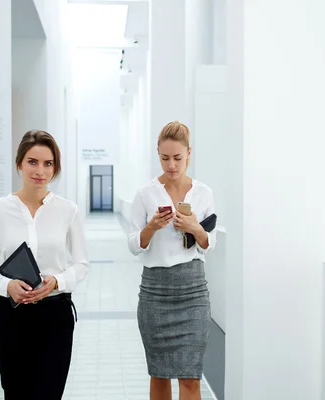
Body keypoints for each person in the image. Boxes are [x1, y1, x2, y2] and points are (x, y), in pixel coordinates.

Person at [0, 130, 89, 399]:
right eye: (32, 162)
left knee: (49, 394)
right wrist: (7, 285)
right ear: (19, 164)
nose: (40, 170)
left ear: (55, 167)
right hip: (11, 317)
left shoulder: (67, 210)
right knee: (16, 394)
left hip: (55, 317)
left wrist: (57, 281)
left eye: (48, 163)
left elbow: (81, 263)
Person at [128, 121, 217, 400]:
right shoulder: (145, 194)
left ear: (189, 153)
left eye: (177, 158)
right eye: (164, 158)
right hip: (155, 293)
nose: (171, 165)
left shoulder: (203, 192)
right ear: (158, 154)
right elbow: (134, 245)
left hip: (193, 292)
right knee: (159, 375)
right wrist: (152, 227)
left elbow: (208, 244)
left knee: (191, 378)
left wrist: (194, 227)